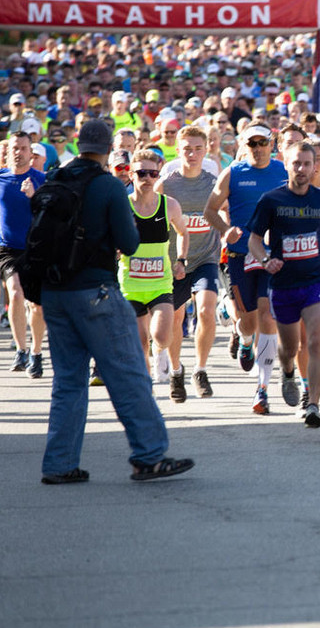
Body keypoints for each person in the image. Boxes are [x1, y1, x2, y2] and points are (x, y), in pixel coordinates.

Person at [40, 120, 194, 484]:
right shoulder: (108, 185)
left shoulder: (55, 180)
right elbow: (129, 243)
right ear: (108, 150)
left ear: (78, 144)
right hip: (94, 290)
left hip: (54, 293)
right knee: (129, 373)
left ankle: (59, 464)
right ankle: (149, 456)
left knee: (68, 381)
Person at [248, 142, 320, 427]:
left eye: (307, 163)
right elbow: (254, 239)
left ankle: (313, 404)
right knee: (290, 348)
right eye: (296, 163)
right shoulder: (271, 200)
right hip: (283, 284)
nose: (302, 169)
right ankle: (288, 370)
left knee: (315, 339)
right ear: (286, 165)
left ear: (315, 167)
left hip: (316, 280)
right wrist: (266, 260)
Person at [205, 123, 288, 412]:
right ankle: (244, 338)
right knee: (247, 321)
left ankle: (262, 389)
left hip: (272, 255)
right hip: (240, 255)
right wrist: (225, 230)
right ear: (244, 145)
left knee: (268, 316)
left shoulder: (283, 171)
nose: (257, 148)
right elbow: (209, 210)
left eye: (262, 143)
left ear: (271, 144)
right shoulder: (233, 173)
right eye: (252, 143)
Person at [156, 126, 219, 400]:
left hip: (206, 257)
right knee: (176, 318)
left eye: (197, 149)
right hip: (174, 261)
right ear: (178, 151)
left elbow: (227, 209)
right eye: (187, 149)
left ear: (205, 150)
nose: (192, 154)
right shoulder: (166, 184)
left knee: (206, 309)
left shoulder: (214, 182)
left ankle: (200, 370)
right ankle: (176, 371)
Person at [120, 149, 188, 393]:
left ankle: (167, 360)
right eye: (141, 173)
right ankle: (145, 390)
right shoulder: (122, 206)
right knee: (139, 345)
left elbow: (183, 232)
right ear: (131, 175)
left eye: (153, 173)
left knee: (161, 337)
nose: (147, 178)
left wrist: (181, 260)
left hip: (160, 284)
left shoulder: (169, 205)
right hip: (131, 286)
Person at [0, 131, 47, 378]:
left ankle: (36, 353)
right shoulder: (1, 178)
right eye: (14, 148)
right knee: (16, 292)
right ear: (8, 151)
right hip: (7, 249)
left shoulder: (42, 180)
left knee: (36, 305)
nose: (18, 152)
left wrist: (34, 197)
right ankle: (21, 350)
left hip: (36, 248)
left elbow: (52, 215)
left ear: (31, 153)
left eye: (23, 148)